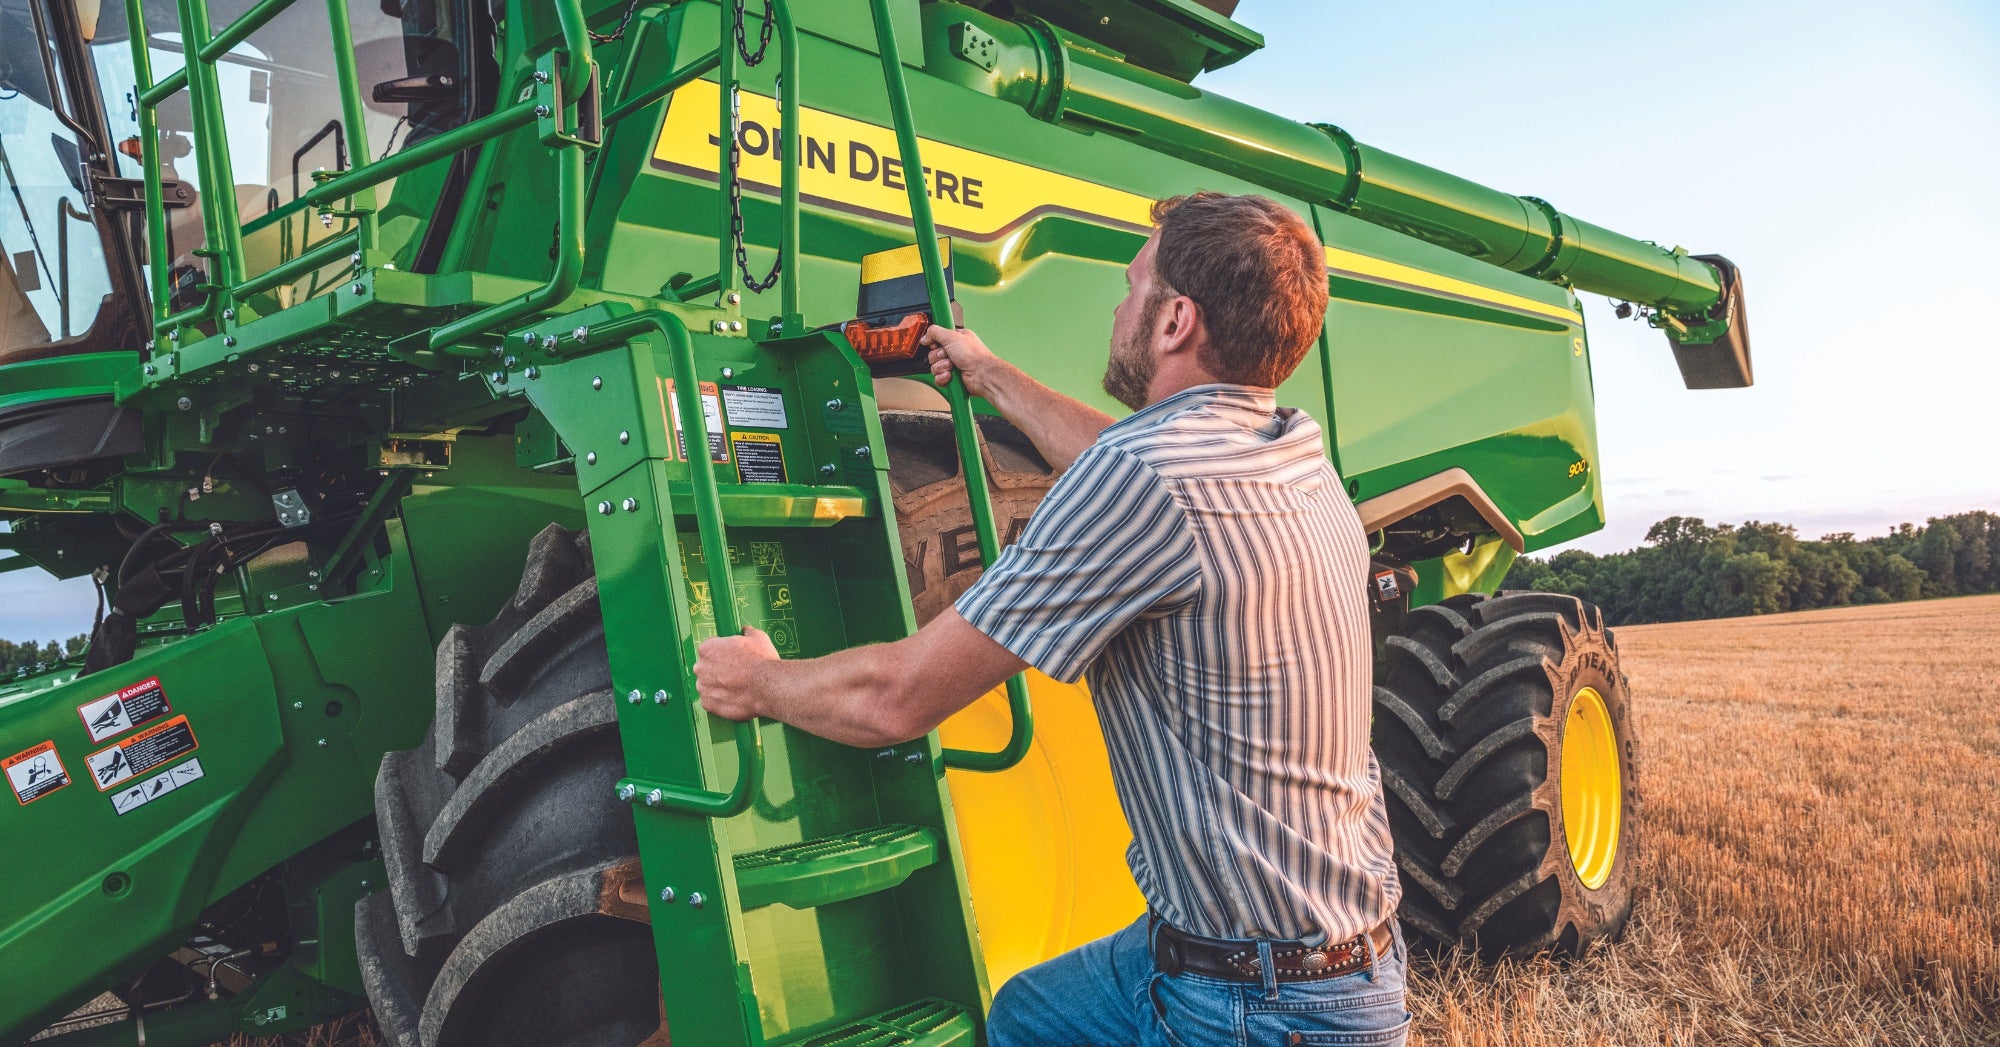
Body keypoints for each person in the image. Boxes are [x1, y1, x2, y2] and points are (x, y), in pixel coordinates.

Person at [693, 191, 1408, 1046]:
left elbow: (901, 696)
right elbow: (1127, 457)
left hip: (1259, 1008)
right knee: (1031, 1016)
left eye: (1134, 284)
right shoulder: (1294, 450)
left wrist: (759, 680)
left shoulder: (1148, 480)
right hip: (1343, 959)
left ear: (1176, 319)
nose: (1119, 304)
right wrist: (989, 374)